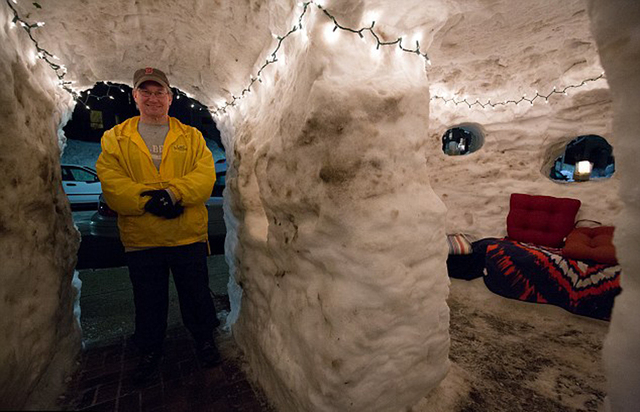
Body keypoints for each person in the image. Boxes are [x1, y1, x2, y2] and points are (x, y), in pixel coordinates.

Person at [96, 67, 221, 383]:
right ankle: (150, 349)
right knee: (149, 300)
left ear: (170, 97)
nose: (153, 98)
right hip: (143, 238)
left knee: (197, 296)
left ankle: (204, 340)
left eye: (159, 92)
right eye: (146, 92)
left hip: (186, 235)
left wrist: (174, 194)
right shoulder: (116, 138)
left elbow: (205, 176)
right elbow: (111, 181)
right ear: (135, 96)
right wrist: (148, 201)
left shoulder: (191, 137)